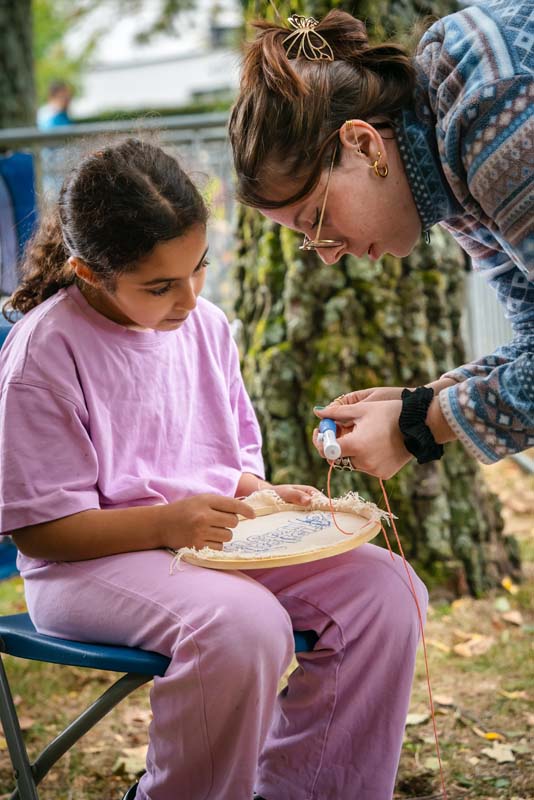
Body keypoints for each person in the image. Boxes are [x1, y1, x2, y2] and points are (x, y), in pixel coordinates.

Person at [0, 138, 427, 800]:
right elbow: (41, 531)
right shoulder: (45, 352)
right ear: (90, 273)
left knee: (389, 591)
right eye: (160, 286)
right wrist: (167, 524)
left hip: (208, 545)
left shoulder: (206, 325)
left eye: (198, 268)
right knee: (241, 625)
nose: (188, 297)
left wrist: (266, 496)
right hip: (84, 568)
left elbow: (222, 466)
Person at [229, 1, 534, 480]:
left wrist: (419, 425)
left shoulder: (495, 114)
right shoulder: (443, 166)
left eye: (317, 219)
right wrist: (420, 403)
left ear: (364, 144)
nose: (328, 256)